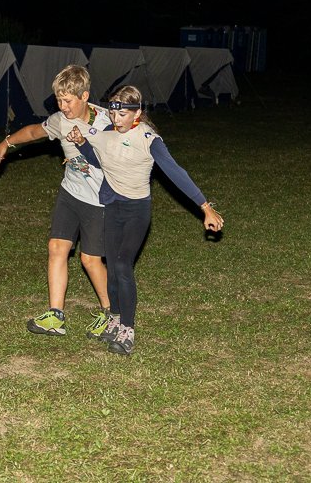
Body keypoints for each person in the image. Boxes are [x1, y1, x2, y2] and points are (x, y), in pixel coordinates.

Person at [67, 85, 224, 356]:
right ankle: (115, 319)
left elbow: (175, 172)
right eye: (113, 114)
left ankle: (128, 329)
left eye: (123, 115)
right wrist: (82, 143)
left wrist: (205, 207)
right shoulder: (106, 134)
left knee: (122, 264)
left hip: (136, 210)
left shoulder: (149, 139)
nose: (116, 120)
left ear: (137, 113)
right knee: (112, 267)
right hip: (112, 206)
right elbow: (100, 159)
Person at [0, 64, 113, 338]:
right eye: (59, 100)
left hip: (99, 201)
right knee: (57, 247)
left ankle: (111, 313)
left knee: (90, 260)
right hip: (70, 194)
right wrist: (7, 143)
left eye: (68, 101)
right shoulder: (60, 120)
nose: (63, 107)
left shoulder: (107, 123)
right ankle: (55, 316)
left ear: (84, 96)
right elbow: (34, 132)